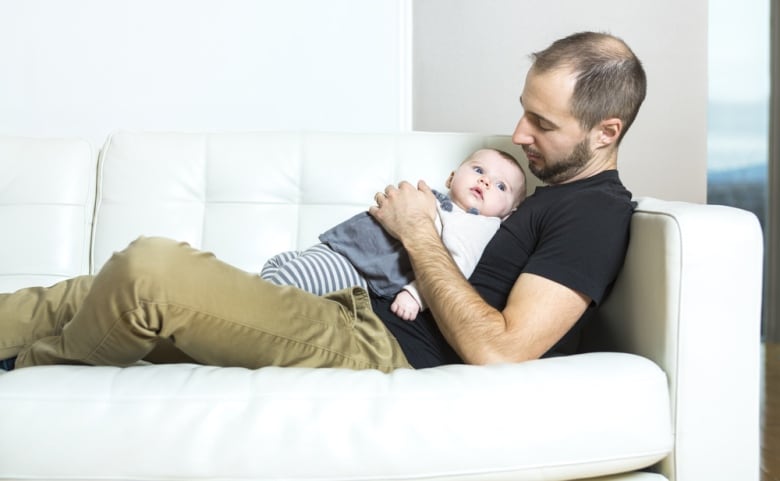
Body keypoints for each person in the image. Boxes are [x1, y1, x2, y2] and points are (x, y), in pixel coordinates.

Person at [0, 31, 645, 372]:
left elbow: (499, 351)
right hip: (347, 305)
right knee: (85, 292)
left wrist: (419, 231)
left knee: (150, 272)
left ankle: (27, 369)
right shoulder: (537, 190)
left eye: (543, 123)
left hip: (378, 346)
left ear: (605, 131)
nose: (519, 133)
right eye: (523, 112)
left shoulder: (594, 213)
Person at [260, 148, 526, 321]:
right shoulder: (431, 195)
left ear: (508, 214)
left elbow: (456, 266)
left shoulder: (476, 226)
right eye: (479, 170)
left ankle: (247, 312)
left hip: (360, 270)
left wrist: (415, 295)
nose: (485, 181)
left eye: (501, 186)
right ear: (451, 178)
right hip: (339, 246)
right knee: (276, 271)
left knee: (280, 291)